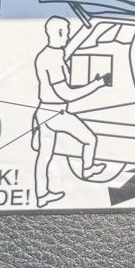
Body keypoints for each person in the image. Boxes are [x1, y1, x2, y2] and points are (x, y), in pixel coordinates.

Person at [32, 16, 110, 207]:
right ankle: (87, 169)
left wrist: (90, 24)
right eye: (66, 33)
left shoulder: (49, 54)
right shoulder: (53, 60)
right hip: (56, 113)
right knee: (90, 139)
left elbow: (71, 47)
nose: (68, 36)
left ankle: (41, 196)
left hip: (44, 111)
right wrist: (97, 84)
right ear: (59, 32)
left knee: (44, 156)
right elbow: (66, 93)